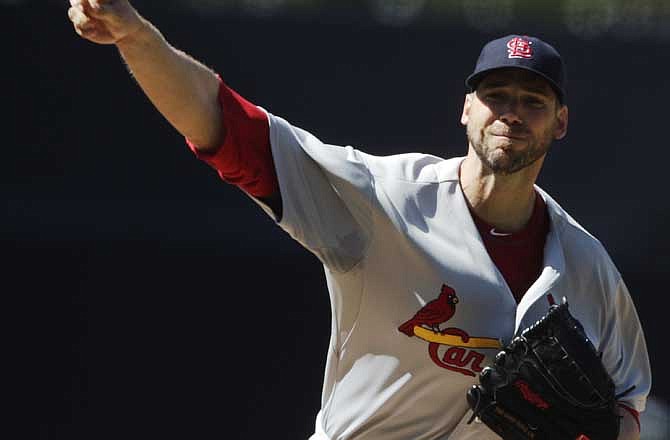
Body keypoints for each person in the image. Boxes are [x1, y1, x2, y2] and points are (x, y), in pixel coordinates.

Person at [67, 1, 651, 439]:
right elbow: (231, 131)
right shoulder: (386, 199)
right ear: (466, 108)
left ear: (561, 122)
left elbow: (628, 401)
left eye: (533, 101)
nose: (512, 113)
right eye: (497, 95)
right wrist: (138, 38)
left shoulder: (584, 265)